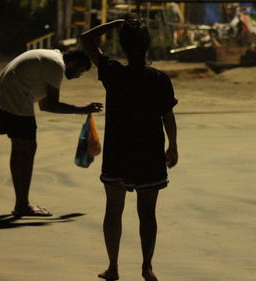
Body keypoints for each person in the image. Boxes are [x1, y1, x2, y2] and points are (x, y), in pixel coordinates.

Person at [80, 13, 178, 281]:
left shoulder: (112, 72)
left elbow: (85, 39)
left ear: (123, 46)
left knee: (113, 210)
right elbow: (167, 115)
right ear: (147, 46)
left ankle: (113, 267)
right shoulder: (159, 79)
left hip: (118, 151)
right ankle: (147, 266)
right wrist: (174, 145)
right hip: (148, 151)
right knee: (147, 213)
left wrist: (115, 24)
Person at [0, 49, 103, 217]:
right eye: (80, 71)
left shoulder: (51, 59)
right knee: (26, 149)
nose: (78, 76)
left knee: (21, 148)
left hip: (9, 96)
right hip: (16, 98)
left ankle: (21, 203)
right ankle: (22, 204)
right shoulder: (56, 65)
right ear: (73, 63)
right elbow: (50, 105)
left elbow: (44, 105)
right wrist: (82, 109)